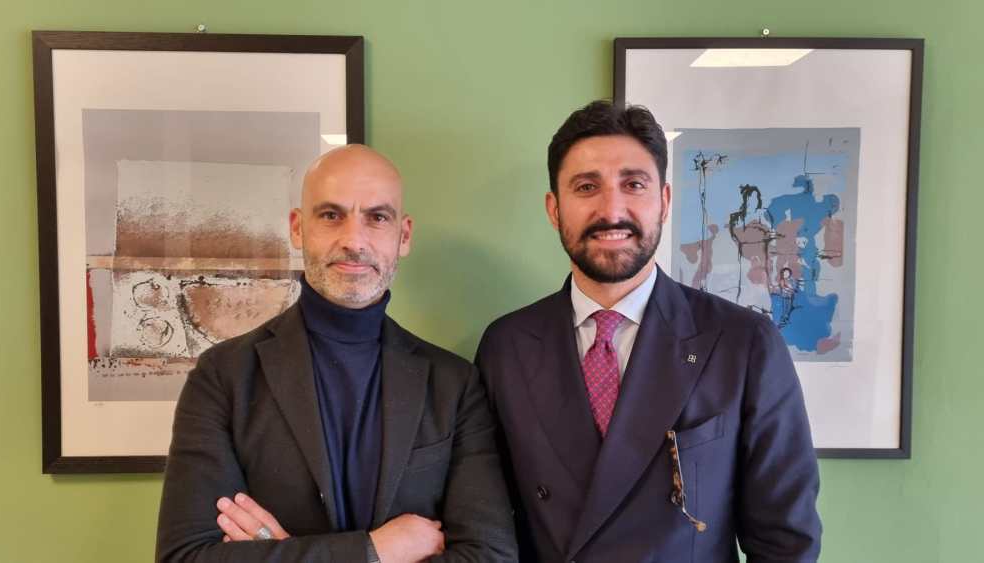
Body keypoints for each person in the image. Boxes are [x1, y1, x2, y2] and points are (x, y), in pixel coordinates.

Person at [476, 101, 822, 562]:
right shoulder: (507, 347)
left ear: (663, 201)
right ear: (554, 209)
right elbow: (490, 528)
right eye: (586, 187)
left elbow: (785, 541)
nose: (611, 209)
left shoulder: (743, 343)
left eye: (633, 185)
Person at [156, 145, 517, 563]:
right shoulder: (223, 377)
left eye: (377, 217)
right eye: (331, 215)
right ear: (297, 228)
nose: (353, 240)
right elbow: (183, 557)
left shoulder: (454, 385)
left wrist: (284, 553)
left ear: (404, 236)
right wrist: (375, 551)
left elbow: (492, 557)